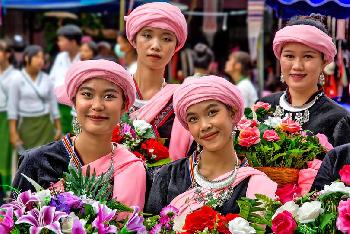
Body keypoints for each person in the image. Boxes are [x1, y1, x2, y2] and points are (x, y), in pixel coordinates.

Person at [12, 59, 147, 209]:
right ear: (74, 102)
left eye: (109, 96)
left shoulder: (132, 168)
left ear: (124, 105)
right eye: (87, 94)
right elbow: (11, 222)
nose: (97, 106)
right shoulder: (37, 161)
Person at [145, 76, 277, 216]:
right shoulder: (168, 176)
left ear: (232, 113)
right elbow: (152, 227)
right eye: (193, 119)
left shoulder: (256, 185)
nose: (204, 126)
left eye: (212, 112)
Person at [259, 15, 350, 147]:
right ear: (280, 59)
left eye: (308, 56)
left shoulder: (339, 119)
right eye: (289, 56)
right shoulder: (264, 106)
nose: (297, 66)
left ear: (323, 62)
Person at [124, 2, 192, 160]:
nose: (155, 46)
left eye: (166, 38)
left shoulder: (181, 101)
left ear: (176, 46)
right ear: (133, 40)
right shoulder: (114, 93)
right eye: (147, 35)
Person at [8, 45, 61, 151]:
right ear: (27, 58)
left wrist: (58, 128)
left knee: (46, 157)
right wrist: (13, 133)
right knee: (27, 159)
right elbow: (12, 107)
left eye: (42, 57)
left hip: (45, 124)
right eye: (37, 57)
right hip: (26, 125)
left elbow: (53, 105)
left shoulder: (47, 79)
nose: (40, 60)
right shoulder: (17, 79)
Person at [50, 24, 82, 134]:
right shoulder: (60, 57)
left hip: (77, 104)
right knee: (61, 138)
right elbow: (52, 78)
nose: (58, 43)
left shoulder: (84, 58)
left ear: (72, 42)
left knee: (77, 136)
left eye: (61, 40)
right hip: (58, 105)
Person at [0, 40, 21, 190]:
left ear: (7, 54)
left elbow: (14, 104)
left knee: (4, 155)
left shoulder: (15, 76)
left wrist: (13, 130)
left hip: (6, 118)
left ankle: (5, 188)